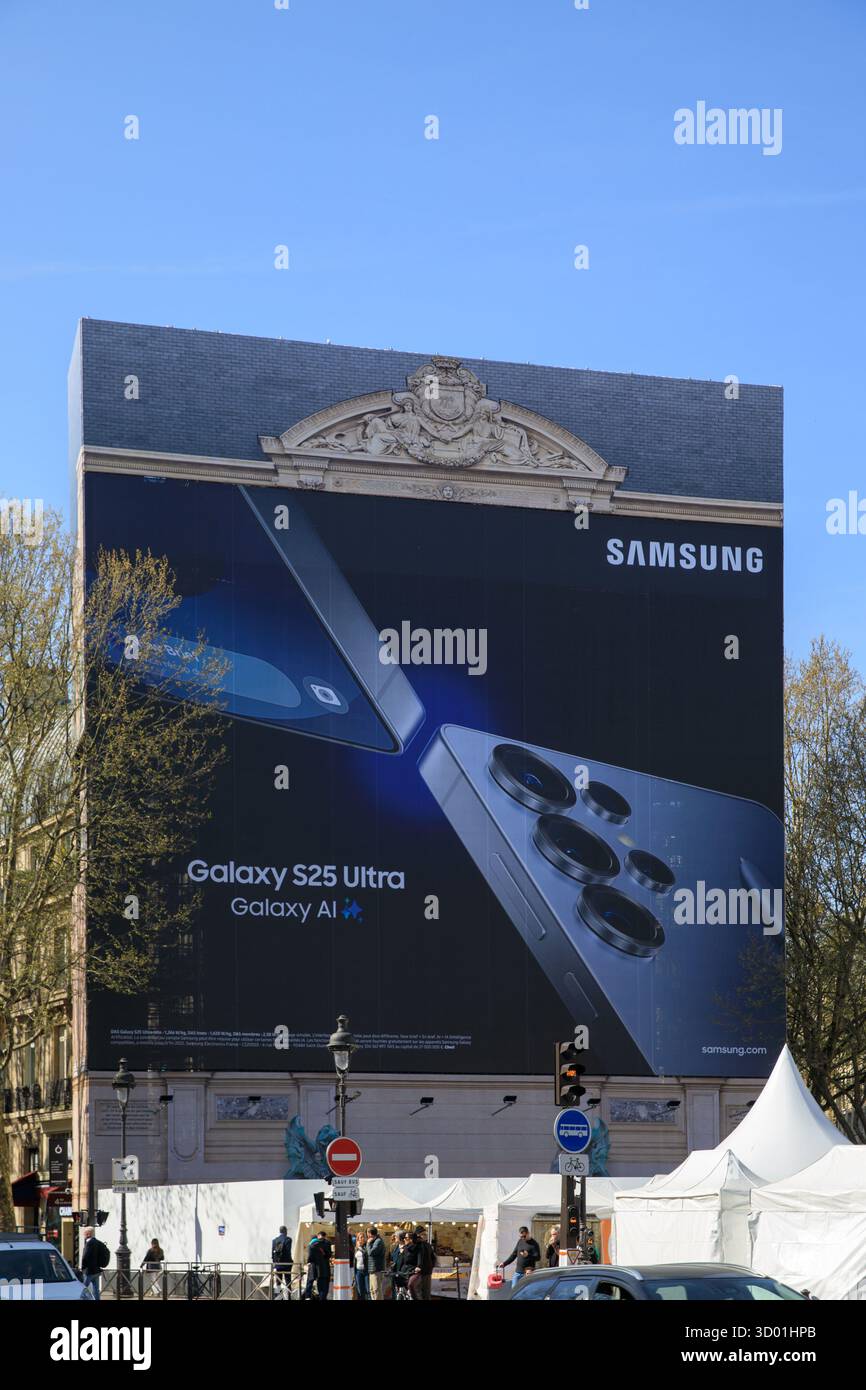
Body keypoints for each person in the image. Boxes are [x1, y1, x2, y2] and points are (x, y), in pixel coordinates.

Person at [79, 1225, 110, 1301]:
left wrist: (82, 1268)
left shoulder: (89, 1243)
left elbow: (85, 1257)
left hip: (89, 1271)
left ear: (88, 1234)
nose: (83, 1234)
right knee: (96, 1289)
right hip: (97, 1270)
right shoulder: (98, 1243)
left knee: (83, 1287)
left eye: (84, 1233)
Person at [304, 1231, 332, 1301]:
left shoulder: (312, 1244)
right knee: (324, 1287)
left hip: (316, 1268)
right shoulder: (328, 1243)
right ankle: (323, 1297)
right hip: (325, 1268)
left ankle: (308, 1297)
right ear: (325, 1236)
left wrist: (309, 1261)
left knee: (314, 1284)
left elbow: (310, 1257)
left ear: (318, 1235)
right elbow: (329, 1255)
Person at [412, 1227, 436, 1301]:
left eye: (425, 1234)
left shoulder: (427, 1245)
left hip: (426, 1272)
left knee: (425, 1292)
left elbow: (433, 1257)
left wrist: (430, 1267)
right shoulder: (415, 1244)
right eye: (423, 1234)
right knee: (418, 1292)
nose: (425, 1235)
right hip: (417, 1272)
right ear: (418, 1235)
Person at [271, 1225, 293, 1300]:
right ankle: (288, 1298)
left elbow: (272, 1254)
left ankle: (278, 1297)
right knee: (288, 1281)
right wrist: (291, 1262)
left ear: (280, 1231)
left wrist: (275, 1264)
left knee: (278, 1281)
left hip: (278, 1265)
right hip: (287, 1265)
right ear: (286, 1231)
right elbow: (288, 1252)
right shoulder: (288, 1240)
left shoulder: (274, 1240)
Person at [366, 1225, 386, 1300]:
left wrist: (368, 1243)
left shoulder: (378, 1241)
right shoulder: (374, 1241)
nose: (367, 1235)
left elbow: (370, 1252)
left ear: (370, 1233)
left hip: (376, 1269)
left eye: (367, 1233)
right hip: (372, 1269)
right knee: (372, 1290)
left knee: (376, 1290)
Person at [353, 1230, 368, 1300]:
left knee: (367, 1289)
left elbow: (367, 1254)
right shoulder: (355, 1248)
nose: (362, 1239)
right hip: (358, 1271)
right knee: (359, 1290)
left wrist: (360, 1248)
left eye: (363, 1237)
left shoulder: (367, 1247)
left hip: (366, 1271)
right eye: (360, 1237)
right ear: (358, 1239)